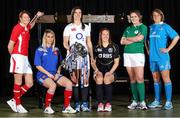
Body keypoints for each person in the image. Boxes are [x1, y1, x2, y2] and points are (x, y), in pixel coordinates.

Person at [7, 10, 44, 113]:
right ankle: (18, 105)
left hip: (25, 58)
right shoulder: (17, 28)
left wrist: (36, 16)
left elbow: (31, 25)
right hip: (17, 57)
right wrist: (14, 57)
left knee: (30, 83)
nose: (27, 19)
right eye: (25, 17)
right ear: (20, 18)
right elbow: (10, 45)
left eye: (28, 17)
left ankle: (14, 100)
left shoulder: (26, 27)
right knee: (18, 82)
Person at [34, 29, 76, 114]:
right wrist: (48, 74)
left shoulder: (56, 49)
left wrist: (59, 70)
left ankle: (66, 106)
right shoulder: (40, 50)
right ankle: (47, 107)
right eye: (48, 37)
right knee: (52, 85)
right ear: (44, 38)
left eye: (52, 37)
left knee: (69, 84)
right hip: (42, 74)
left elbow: (61, 62)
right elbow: (37, 65)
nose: (50, 39)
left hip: (54, 74)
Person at [63, 6, 94, 112]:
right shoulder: (68, 27)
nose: (78, 14)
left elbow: (89, 43)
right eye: (76, 12)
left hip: (84, 57)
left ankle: (84, 104)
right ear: (73, 14)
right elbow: (65, 43)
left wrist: (92, 57)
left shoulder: (86, 27)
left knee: (85, 80)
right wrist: (71, 49)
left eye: (80, 12)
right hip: (73, 58)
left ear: (81, 14)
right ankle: (76, 103)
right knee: (75, 81)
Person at [147, 9, 179, 110]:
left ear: (161, 16)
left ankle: (169, 102)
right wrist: (148, 50)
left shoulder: (165, 26)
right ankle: (157, 100)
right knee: (156, 79)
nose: (155, 17)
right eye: (154, 15)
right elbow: (147, 41)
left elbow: (177, 37)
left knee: (166, 79)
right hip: (153, 58)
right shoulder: (151, 27)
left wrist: (168, 49)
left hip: (162, 57)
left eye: (157, 15)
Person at [120, 10, 148, 110]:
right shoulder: (128, 28)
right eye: (131, 17)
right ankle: (135, 101)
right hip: (127, 55)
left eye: (135, 16)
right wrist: (134, 38)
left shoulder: (143, 27)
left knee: (139, 78)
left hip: (138, 55)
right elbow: (122, 41)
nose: (133, 18)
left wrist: (129, 39)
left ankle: (142, 101)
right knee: (132, 79)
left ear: (139, 17)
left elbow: (140, 39)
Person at [92, 28, 120, 112]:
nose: (105, 36)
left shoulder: (114, 46)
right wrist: (97, 70)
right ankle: (100, 104)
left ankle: (108, 104)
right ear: (100, 36)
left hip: (111, 70)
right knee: (100, 78)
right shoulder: (96, 47)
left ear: (109, 36)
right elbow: (93, 62)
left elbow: (116, 63)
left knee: (107, 79)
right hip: (99, 70)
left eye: (107, 34)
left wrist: (110, 72)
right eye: (103, 34)